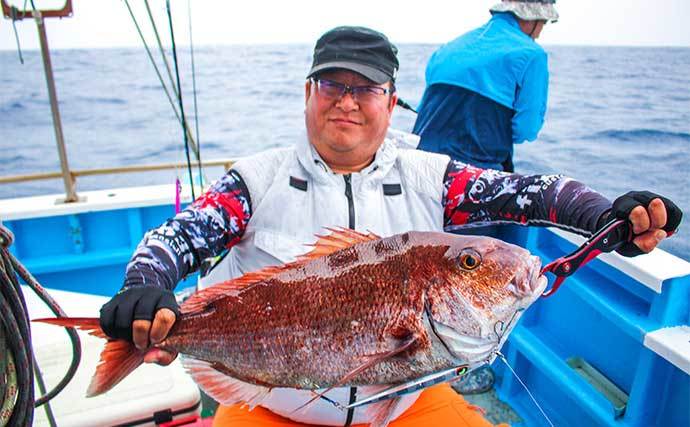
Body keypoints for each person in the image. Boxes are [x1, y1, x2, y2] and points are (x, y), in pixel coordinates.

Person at [98, 26, 682, 427]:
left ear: (392, 99)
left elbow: (531, 193)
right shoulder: (257, 180)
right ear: (308, 93)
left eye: (366, 89)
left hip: (406, 407)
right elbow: (176, 238)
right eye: (332, 85)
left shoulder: (433, 176)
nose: (347, 103)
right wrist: (142, 288)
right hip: (271, 404)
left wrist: (605, 214)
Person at [412, 0, 559, 172]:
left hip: (419, 166)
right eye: (543, 22)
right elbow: (526, 129)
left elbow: (423, 110)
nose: (540, 33)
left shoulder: (447, 48)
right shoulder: (533, 55)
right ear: (529, 18)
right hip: (475, 178)